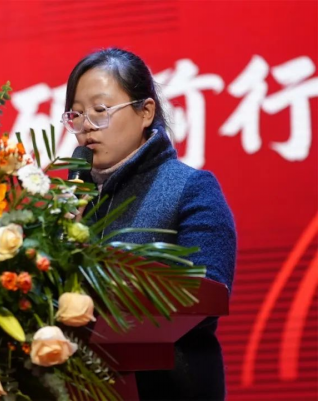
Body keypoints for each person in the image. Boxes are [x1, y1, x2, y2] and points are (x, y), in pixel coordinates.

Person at [63, 48, 237, 400]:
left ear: (145, 112)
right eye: (77, 114)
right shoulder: (70, 201)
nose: (87, 126)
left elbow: (207, 295)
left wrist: (102, 275)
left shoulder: (191, 189)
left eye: (101, 110)